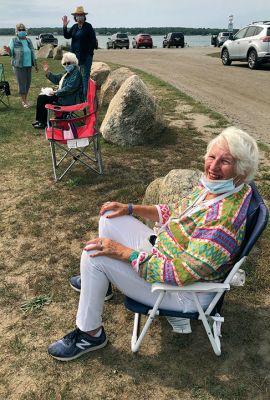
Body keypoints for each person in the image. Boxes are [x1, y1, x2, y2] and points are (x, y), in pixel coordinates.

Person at [48, 126, 259, 361]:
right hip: (165, 255)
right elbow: (175, 212)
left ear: (242, 172)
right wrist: (129, 208)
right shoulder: (215, 189)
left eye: (225, 161)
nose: (213, 166)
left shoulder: (223, 220)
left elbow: (180, 273)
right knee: (109, 216)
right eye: (212, 156)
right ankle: (101, 282)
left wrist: (123, 252)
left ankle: (90, 334)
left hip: (182, 292)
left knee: (93, 256)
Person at [32, 52, 84, 129]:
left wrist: (56, 92)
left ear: (74, 62)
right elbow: (57, 79)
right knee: (42, 96)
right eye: (64, 63)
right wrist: (47, 72)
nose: (66, 65)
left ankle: (43, 122)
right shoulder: (68, 72)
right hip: (63, 95)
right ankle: (41, 120)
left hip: (69, 98)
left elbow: (70, 88)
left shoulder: (76, 73)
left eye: (68, 63)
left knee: (42, 98)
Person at [62, 6, 97, 99]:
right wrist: (65, 26)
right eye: (78, 15)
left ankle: (85, 98)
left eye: (81, 15)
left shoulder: (88, 26)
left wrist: (89, 53)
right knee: (75, 76)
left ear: (84, 16)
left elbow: (93, 41)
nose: (79, 17)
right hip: (75, 57)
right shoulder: (74, 27)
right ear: (75, 17)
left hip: (86, 57)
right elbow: (67, 36)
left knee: (85, 77)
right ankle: (77, 97)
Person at [4, 23, 38, 108]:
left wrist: (36, 64)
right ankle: (24, 102)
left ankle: (25, 99)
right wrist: (8, 51)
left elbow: (32, 52)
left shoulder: (29, 40)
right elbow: (11, 53)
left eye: (23, 29)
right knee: (22, 83)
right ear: (16, 31)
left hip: (29, 65)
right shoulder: (14, 40)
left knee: (27, 83)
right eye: (20, 29)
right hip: (19, 65)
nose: (22, 31)